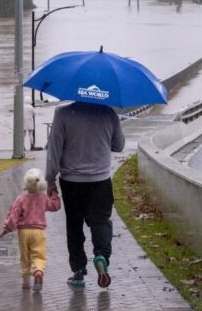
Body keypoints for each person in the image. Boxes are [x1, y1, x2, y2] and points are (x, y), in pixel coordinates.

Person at [45, 102, 125, 289]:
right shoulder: (108, 112)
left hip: (71, 182)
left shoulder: (62, 113)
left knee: (74, 226)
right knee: (101, 222)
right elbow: (119, 145)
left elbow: (54, 149)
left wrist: (50, 180)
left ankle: (78, 271)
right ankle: (101, 255)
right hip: (101, 180)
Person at [0, 168, 61, 292]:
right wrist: (54, 194)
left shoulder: (21, 199)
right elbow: (55, 206)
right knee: (38, 254)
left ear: (26, 183)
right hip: (39, 232)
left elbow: (13, 217)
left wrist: (7, 229)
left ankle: (26, 281)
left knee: (25, 256)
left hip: (23, 232)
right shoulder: (43, 198)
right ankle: (38, 272)